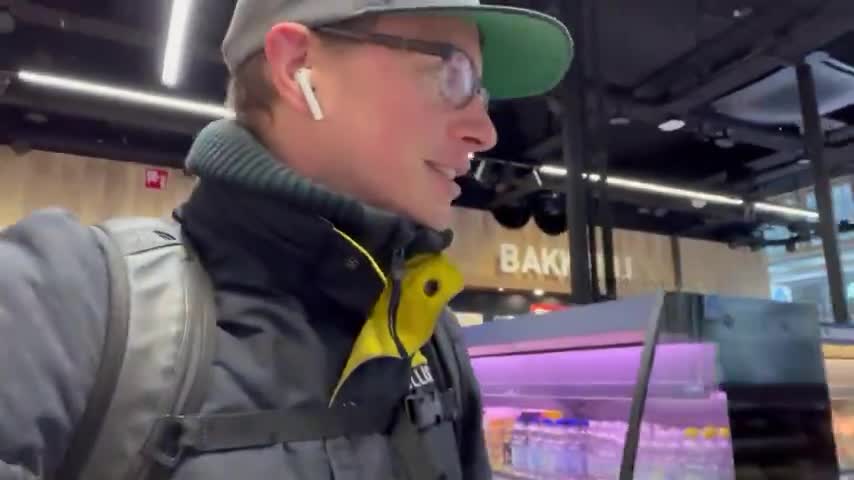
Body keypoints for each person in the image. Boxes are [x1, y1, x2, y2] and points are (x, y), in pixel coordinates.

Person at [0, 0, 572, 478]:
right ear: (299, 66)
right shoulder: (70, 303)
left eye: (484, 94)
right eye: (455, 76)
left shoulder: (432, 341)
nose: (486, 130)